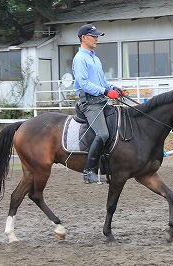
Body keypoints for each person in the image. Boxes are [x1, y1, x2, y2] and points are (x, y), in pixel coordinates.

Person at [72, 24, 121, 184]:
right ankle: (88, 172)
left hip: (101, 101)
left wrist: (113, 88)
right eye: (94, 36)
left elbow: (102, 81)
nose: (97, 39)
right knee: (103, 134)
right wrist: (106, 92)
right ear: (84, 38)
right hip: (90, 103)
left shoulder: (95, 58)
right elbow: (84, 84)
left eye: (97, 36)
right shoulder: (80, 59)